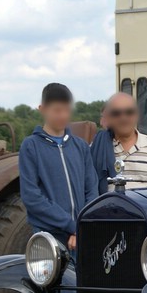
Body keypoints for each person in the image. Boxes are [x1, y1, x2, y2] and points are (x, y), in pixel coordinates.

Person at [19, 83, 98, 257]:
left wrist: (82, 225)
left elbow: (92, 189)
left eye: (67, 110)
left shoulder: (81, 146)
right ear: (42, 109)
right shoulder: (30, 146)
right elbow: (31, 197)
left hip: (82, 235)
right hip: (49, 238)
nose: (63, 115)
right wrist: (71, 226)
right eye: (57, 110)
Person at [91, 92, 147, 194]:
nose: (123, 118)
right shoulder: (98, 149)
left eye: (129, 112)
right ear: (108, 118)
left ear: (136, 115)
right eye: (116, 113)